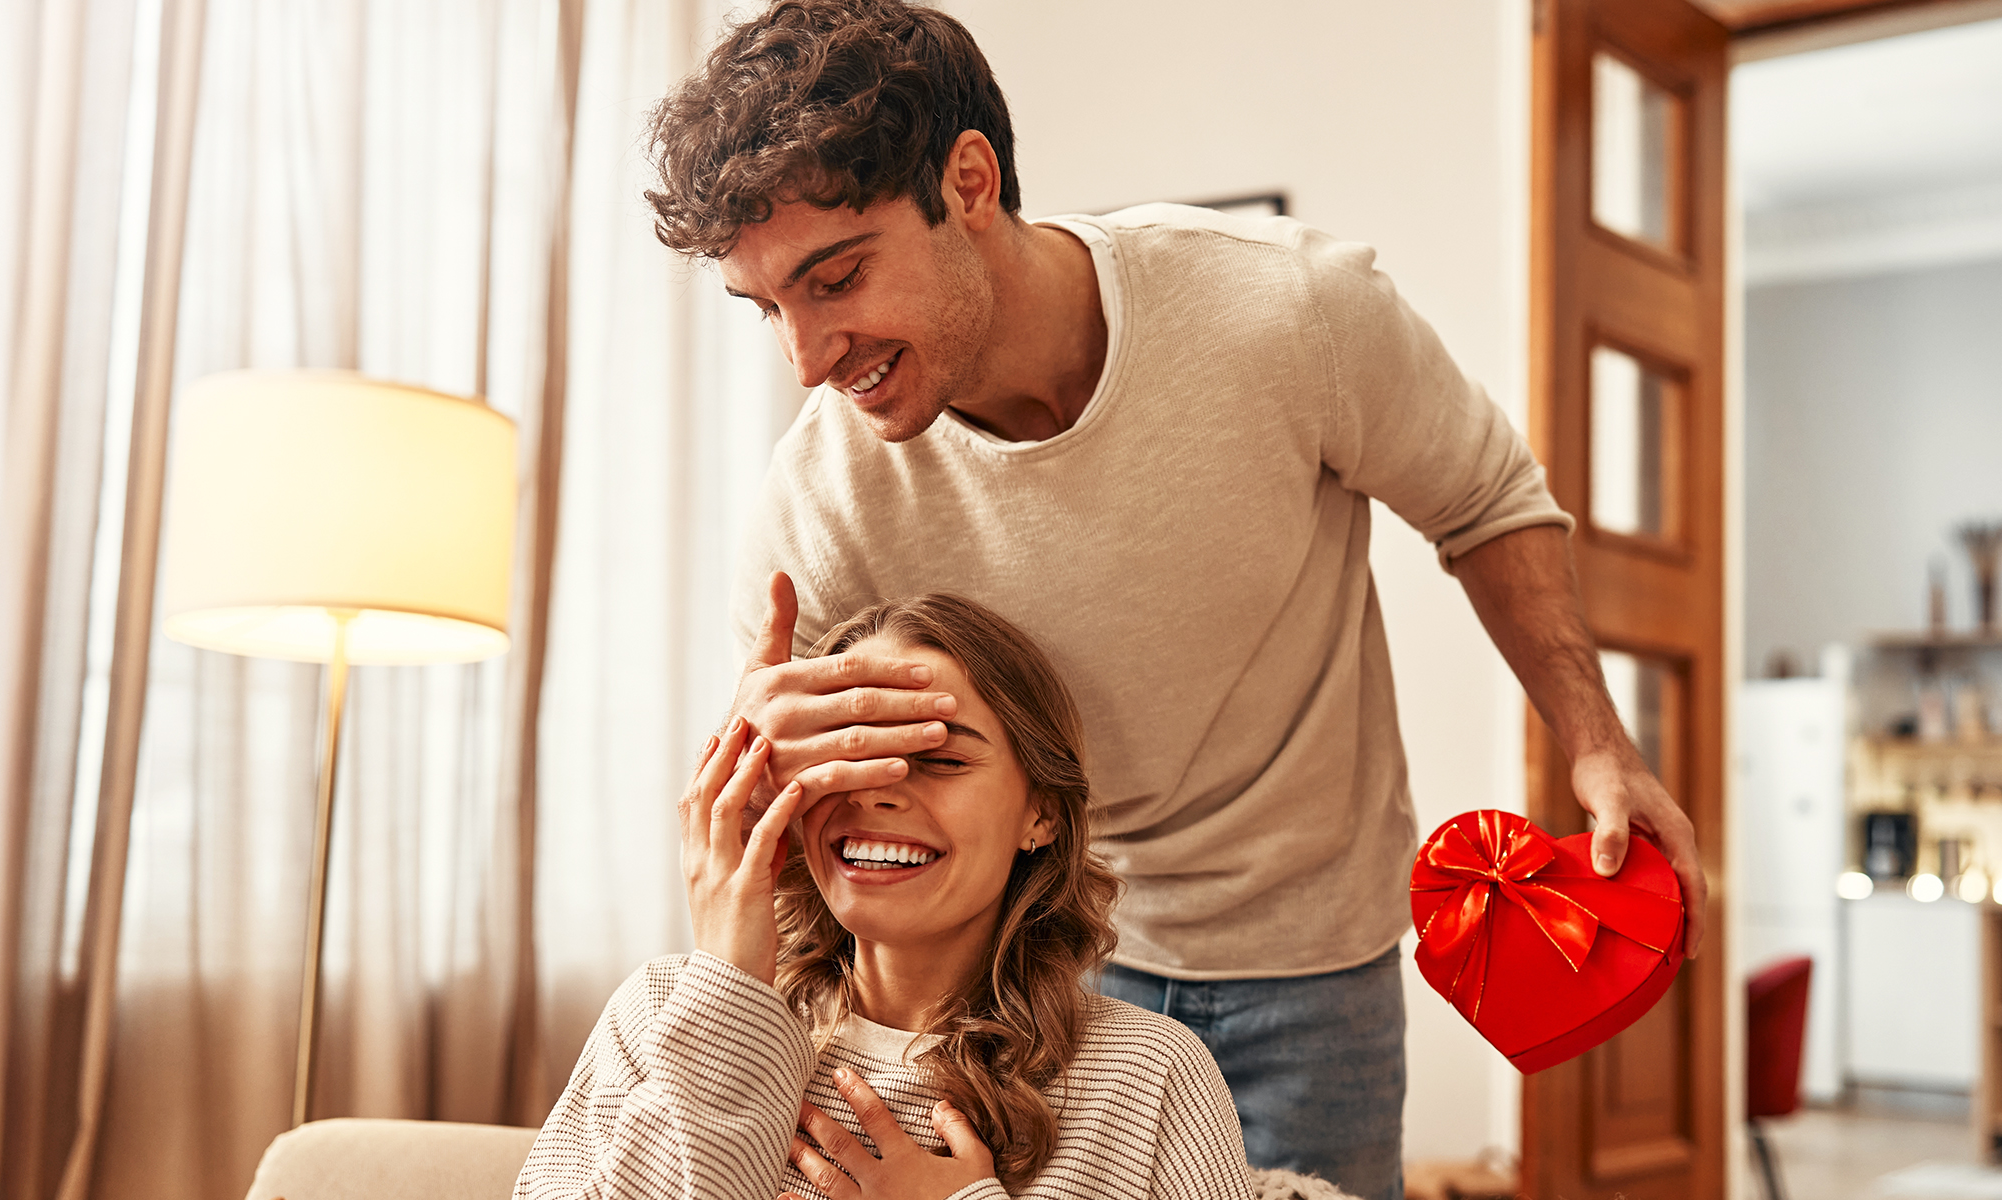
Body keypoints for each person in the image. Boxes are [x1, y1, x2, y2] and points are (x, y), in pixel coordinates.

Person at [645, 3, 1708, 1197]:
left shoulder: (1287, 311)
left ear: (972, 179)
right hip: (1033, 969)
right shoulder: (819, 503)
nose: (806, 356)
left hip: (1312, 953)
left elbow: (1486, 500)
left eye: (835, 279)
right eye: (767, 307)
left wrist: (1600, 744)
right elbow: (778, 829)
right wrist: (772, 774)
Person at [515, 593, 1257, 1200]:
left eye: (938, 758)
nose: (879, 793)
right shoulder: (661, 1013)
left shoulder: (1146, 1077)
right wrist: (730, 990)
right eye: (848, 752)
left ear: (1042, 814)